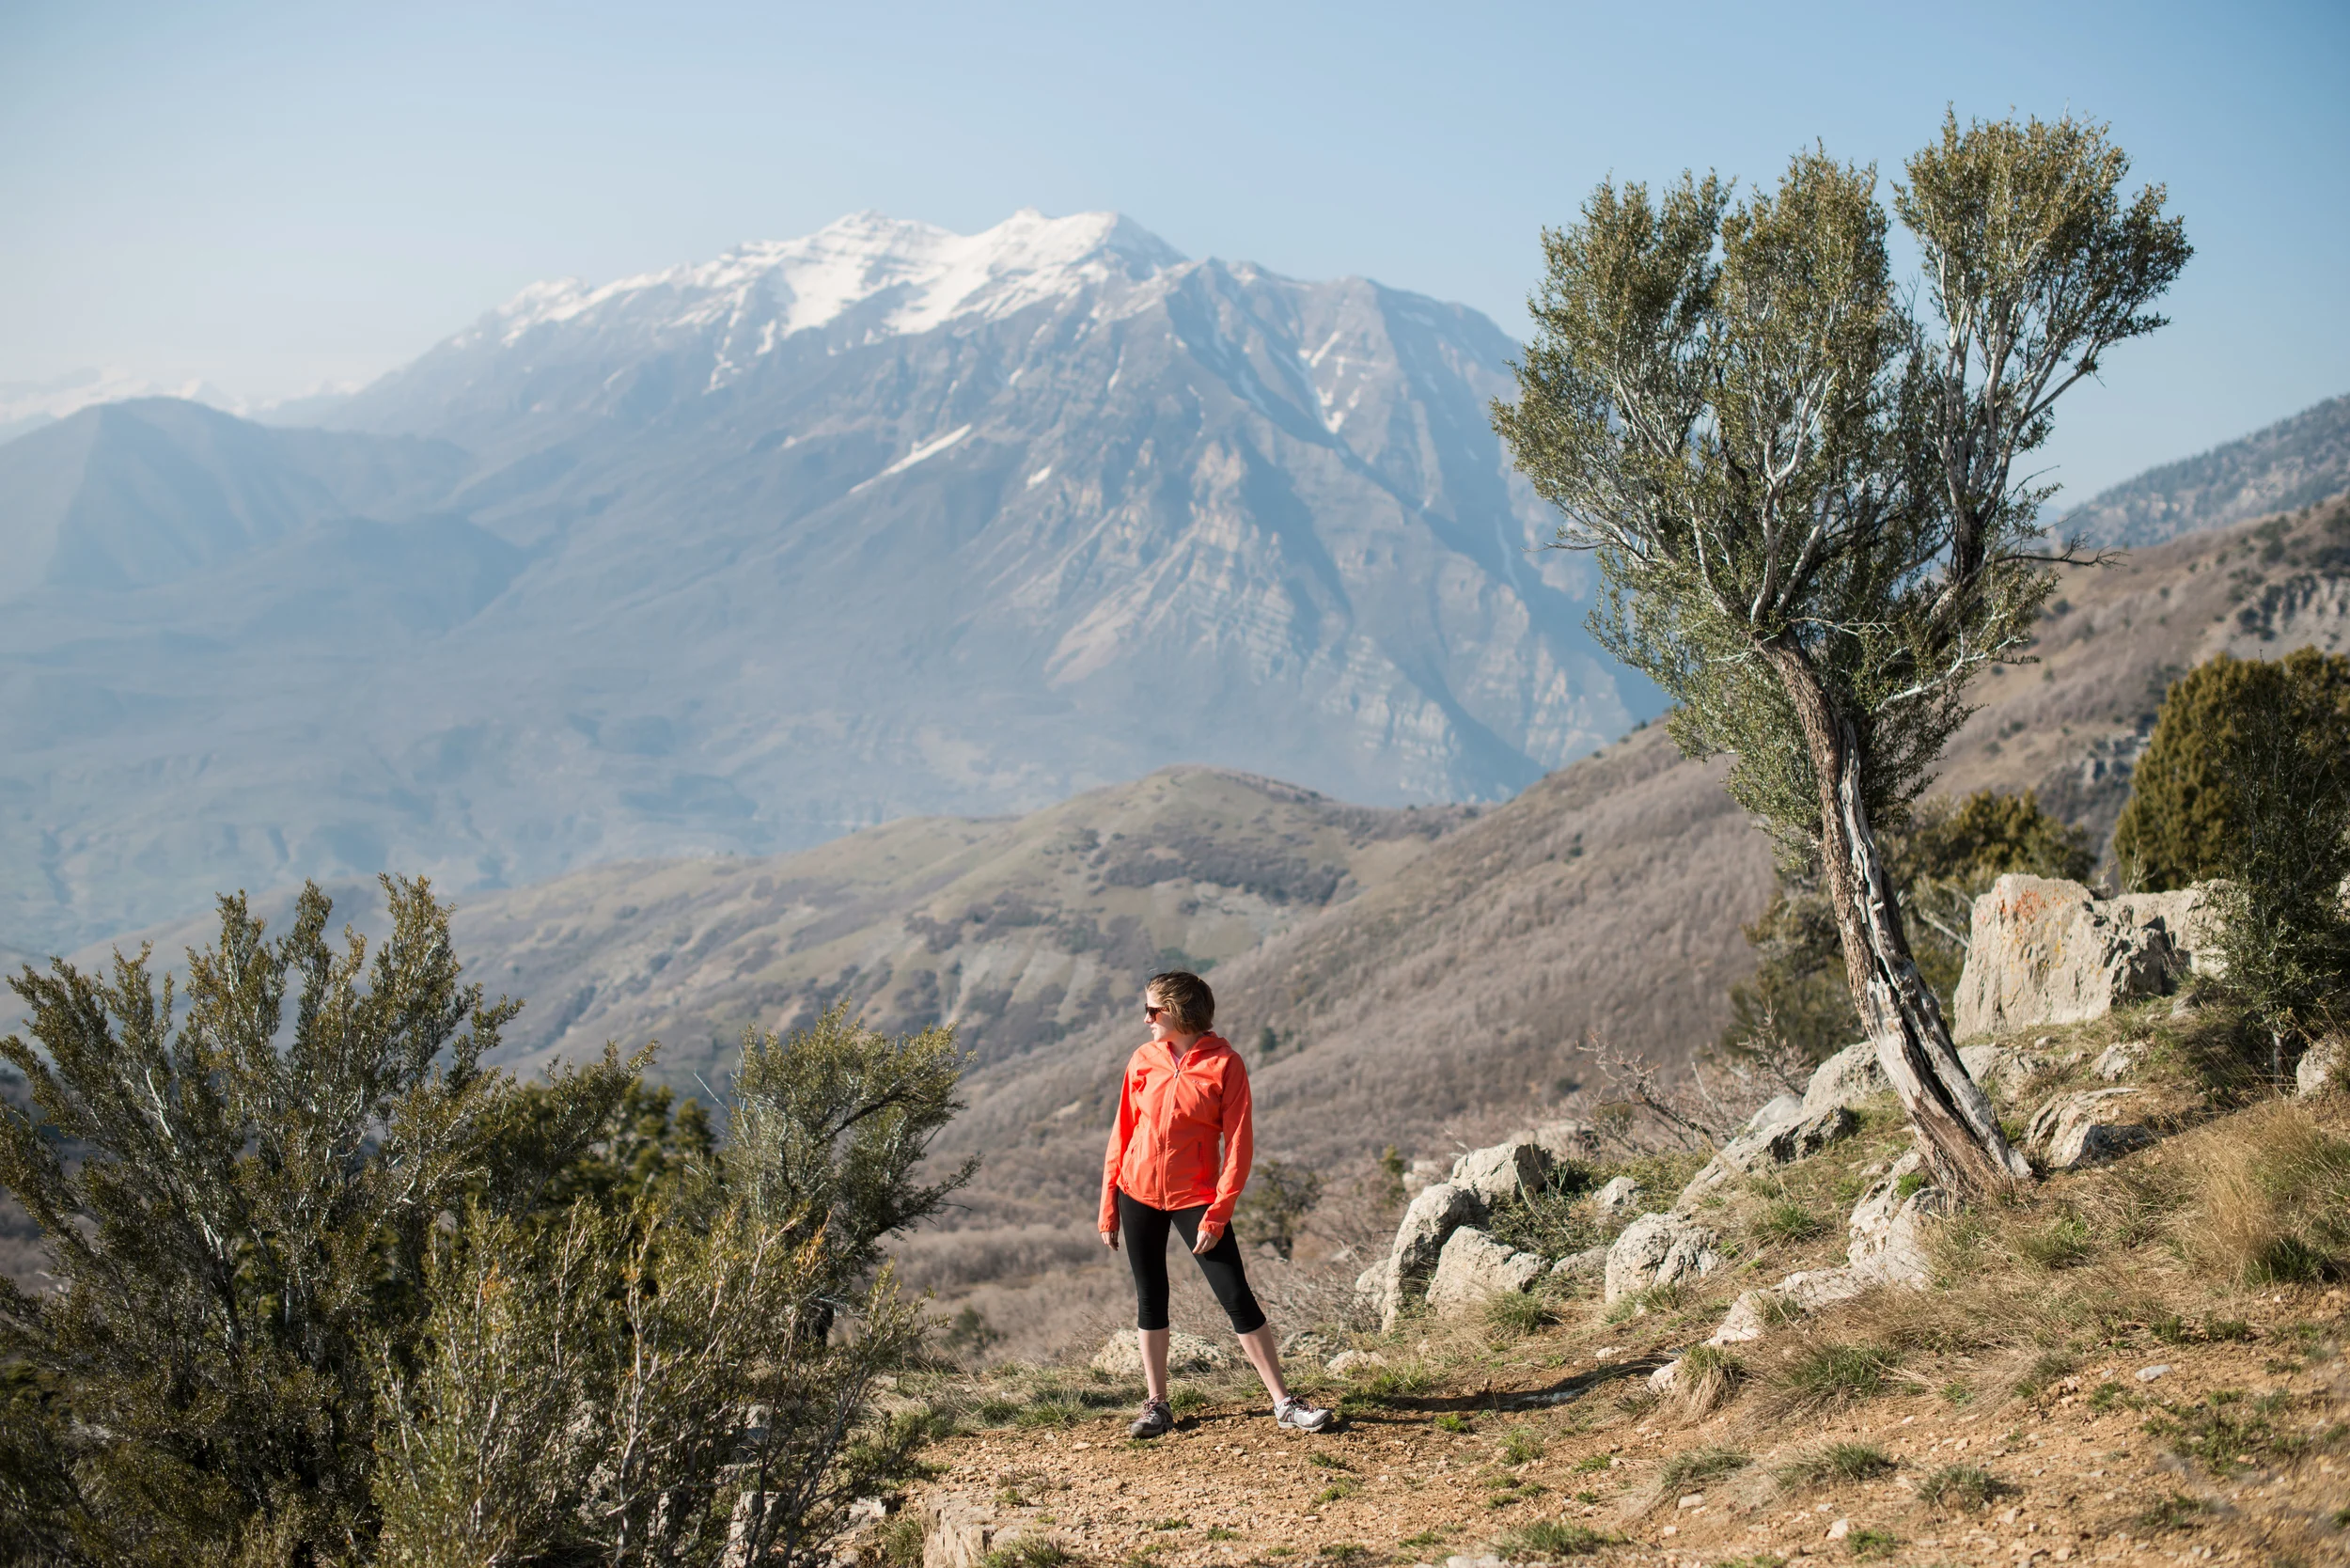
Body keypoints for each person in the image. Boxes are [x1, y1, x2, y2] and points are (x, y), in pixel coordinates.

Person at [1099, 969, 1335, 1438]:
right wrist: (1109, 1204)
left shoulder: (1226, 1064)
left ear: (1179, 1013)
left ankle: (1284, 1402)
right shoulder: (1143, 1058)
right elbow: (1122, 1132)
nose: (1146, 1019)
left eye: (1152, 1010)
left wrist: (1219, 1210)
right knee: (1151, 1297)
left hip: (1197, 1199)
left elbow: (1240, 1145)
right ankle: (1157, 1405)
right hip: (1137, 1192)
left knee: (1235, 1296)